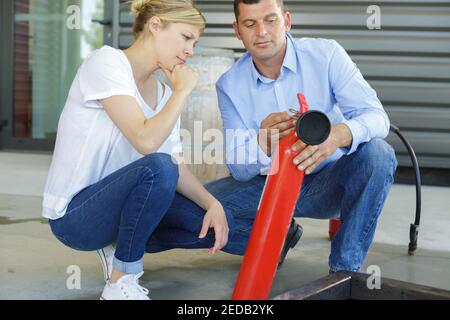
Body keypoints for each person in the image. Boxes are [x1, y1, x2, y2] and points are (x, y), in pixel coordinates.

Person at [43, 0, 234, 300]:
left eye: (195, 43)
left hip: (121, 207)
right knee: (157, 167)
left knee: (213, 226)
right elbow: (145, 142)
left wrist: (213, 204)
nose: (190, 51)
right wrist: (183, 91)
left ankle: (119, 247)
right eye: (186, 38)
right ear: (155, 25)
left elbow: (175, 164)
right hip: (76, 216)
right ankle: (120, 281)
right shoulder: (106, 63)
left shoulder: (163, 93)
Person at [205, 0, 398, 274]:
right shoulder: (229, 85)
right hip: (267, 188)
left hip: (329, 185)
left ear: (287, 21)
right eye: (250, 24)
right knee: (197, 209)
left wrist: (335, 136)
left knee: (379, 154)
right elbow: (238, 167)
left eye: (270, 20)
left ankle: (344, 272)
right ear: (237, 30)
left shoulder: (326, 55)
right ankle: (281, 235)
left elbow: (378, 118)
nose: (261, 31)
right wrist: (263, 141)